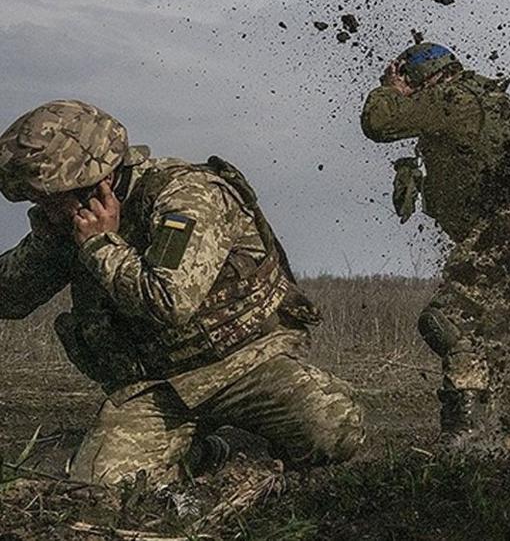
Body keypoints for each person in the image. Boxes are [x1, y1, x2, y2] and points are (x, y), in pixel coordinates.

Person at [0, 100, 364, 486]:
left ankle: (246, 444)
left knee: (334, 428)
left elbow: (171, 301)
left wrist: (101, 246)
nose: (44, 209)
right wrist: (51, 241)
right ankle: (208, 453)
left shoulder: (186, 196)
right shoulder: (71, 221)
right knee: (102, 483)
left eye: (49, 198)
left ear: (96, 182)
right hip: (159, 387)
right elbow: (10, 296)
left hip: (246, 364)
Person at [361, 41, 510, 442]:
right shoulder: (488, 97)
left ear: (422, 77)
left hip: (501, 238)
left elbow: (379, 123)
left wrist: (389, 88)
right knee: (497, 334)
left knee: (449, 321)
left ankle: (468, 436)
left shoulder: (451, 99)